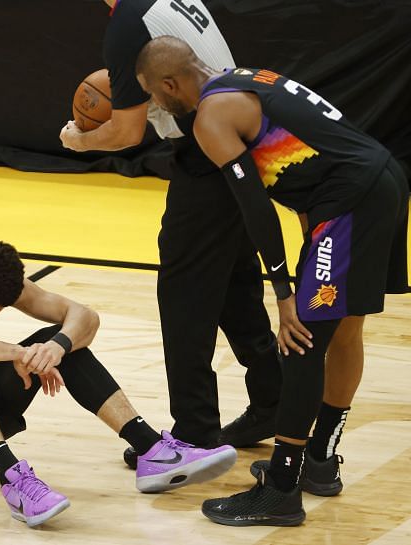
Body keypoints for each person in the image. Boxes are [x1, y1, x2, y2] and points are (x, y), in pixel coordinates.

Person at [134, 36, 408, 526]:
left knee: (299, 341)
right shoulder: (250, 79)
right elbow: (319, 145)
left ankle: (281, 489)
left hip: (348, 204)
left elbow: (254, 207)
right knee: (344, 331)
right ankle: (318, 461)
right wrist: (309, 218)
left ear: (171, 84)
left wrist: (282, 292)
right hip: (381, 182)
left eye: (153, 93)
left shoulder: (209, 118)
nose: (155, 103)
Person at [0, 240, 237, 527]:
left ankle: (151, 451)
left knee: (58, 340)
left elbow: (83, 316)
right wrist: (19, 354)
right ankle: (13, 479)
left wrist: (54, 348)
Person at [60, 0, 283, 459]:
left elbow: (126, 132)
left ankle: (195, 432)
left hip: (206, 152)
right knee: (234, 286)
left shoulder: (127, 24)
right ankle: (273, 402)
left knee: (183, 298)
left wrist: (77, 140)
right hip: (240, 136)